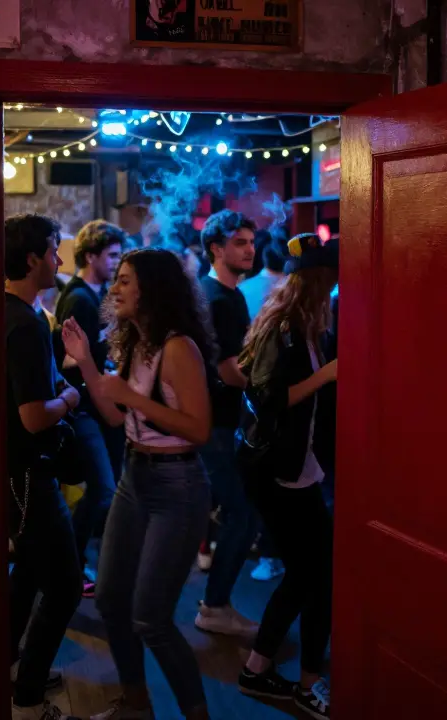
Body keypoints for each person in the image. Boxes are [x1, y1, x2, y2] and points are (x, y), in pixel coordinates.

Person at [62, 249, 215, 720]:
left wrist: (130, 396)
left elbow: (199, 429)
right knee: (109, 598)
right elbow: (114, 415)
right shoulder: (132, 341)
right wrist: (86, 365)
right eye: (117, 280)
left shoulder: (177, 347)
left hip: (177, 485)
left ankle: (197, 715)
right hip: (135, 476)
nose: (114, 289)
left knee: (150, 616)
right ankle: (135, 703)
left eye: (125, 281)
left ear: (152, 287)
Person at [235, 233, 338, 720]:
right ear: (320, 283)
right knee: (315, 577)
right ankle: (306, 683)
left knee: (309, 575)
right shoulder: (288, 328)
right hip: (281, 471)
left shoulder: (305, 324)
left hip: (295, 467)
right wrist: (329, 373)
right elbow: (272, 398)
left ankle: (260, 669)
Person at [1, 213, 84, 720]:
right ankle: (28, 700)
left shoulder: (9, 312)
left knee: (29, 575)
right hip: (31, 474)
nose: (59, 260)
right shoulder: (27, 323)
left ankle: (12, 670)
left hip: (16, 475)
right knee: (67, 586)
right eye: (54, 250)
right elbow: (33, 417)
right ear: (33, 258)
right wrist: (71, 398)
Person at [193, 209, 261, 638]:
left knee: (236, 512)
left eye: (251, 242)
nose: (250, 249)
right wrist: (269, 391)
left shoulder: (224, 293)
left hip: (220, 421)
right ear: (217, 248)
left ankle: (215, 602)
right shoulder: (218, 297)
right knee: (243, 515)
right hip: (214, 423)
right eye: (240, 242)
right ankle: (214, 606)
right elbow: (228, 369)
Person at [54, 220, 125, 596]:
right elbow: (69, 360)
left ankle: (78, 563)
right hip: (84, 407)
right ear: (91, 255)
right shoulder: (80, 298)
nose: (116, 262)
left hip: (95, 404)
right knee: (103, 489)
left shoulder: (93, 293)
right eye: (111, 255)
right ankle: (72, 565)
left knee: (106, 488)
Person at [239, 229, 290, 582]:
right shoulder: (291, 294)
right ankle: (273, 551)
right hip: (280, 394)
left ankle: (265, 548)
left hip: (250, 395)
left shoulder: (245, 290)